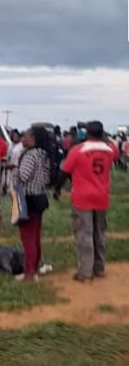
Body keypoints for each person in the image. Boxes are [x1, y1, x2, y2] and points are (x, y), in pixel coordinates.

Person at [56, 121, 119, 282]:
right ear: (102, 133)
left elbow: (64, 172)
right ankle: (99, 268)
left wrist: (57, 188)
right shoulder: (110, 150)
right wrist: (103, 135)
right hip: (102, 197)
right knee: (99, 233)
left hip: (82, 197)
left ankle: (85, 271)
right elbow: (111, 145)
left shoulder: (78, 150)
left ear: (86, 133)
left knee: (84, 234)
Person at [13, 127, 52, 281]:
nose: (23, 137)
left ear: (33, 138)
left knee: (27, 237)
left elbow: (23, 176)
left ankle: (30, 272)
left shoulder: (30, 155)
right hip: (40, 197)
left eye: (27, 135)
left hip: (27, 197)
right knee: (34, 235)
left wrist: (13, 170)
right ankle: (34, 267)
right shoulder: (44, 154)